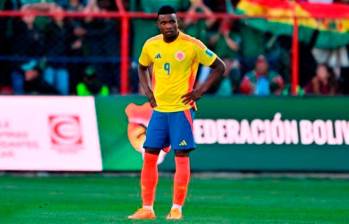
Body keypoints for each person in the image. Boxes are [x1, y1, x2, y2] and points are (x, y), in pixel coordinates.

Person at [128, 5, 225, 220]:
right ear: (158, 24)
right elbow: (142, 66)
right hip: (159, 111)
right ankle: (147, 209)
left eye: (172, 21)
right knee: (149, 157)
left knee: (181, 157)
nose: (169, 26)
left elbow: (220, 66)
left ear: (177, 22)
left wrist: (200, 90)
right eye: (164, 22)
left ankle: (176, 209)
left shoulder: (192, 45)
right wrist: (148, 91)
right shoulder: (151, 45)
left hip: (181, 110)